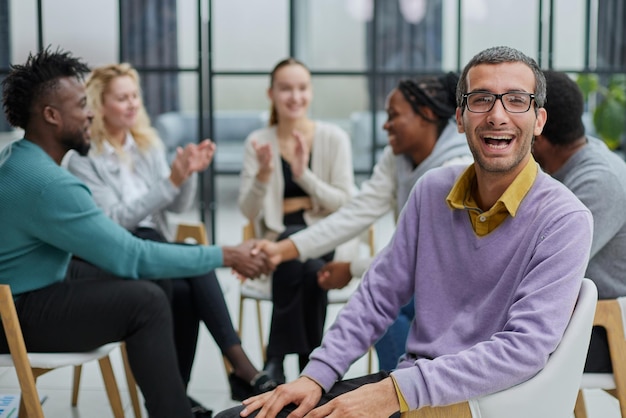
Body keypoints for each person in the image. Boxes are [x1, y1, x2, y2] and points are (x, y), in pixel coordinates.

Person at [216, 45, 594, 418]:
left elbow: (523, 349)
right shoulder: (432, 190)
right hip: (408, 388)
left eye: (516, 100)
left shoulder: (565, 219)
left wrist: (393, 391)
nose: (497, 115)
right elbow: (377, 295)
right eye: (481, 100)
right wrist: (316, 376)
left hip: (482, 404)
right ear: (460, 118)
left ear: (539, 120)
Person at [0, 48, 273, 418]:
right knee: (145, 300)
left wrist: (183, 177)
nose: (90, 113)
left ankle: (174, 398)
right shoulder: (50, 184)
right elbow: (131, 255)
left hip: (35, 285)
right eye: (82, 105)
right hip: (14, 313)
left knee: (157, 281)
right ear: (51, 115)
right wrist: (227, 254)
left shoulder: (21, 159)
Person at [256, 71, 472, 372]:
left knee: (385, 302)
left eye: (393, 116)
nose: (385, 125)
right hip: (420, 279)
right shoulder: (396, 157)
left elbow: (424, 257)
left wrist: (353, 268)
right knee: (381, 302)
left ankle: (396, 390)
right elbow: (356, 212)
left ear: (426, 114)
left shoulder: (458, 167)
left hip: (457, 287)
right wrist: (285, 249)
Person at [238, 57, 355, 383]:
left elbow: (347, 203)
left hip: (327, 236)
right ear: (271, 93)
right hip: (276, 241)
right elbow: (248, 211)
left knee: (301, 249)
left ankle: (274, 359)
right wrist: (262, 176)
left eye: (301, 88)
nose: (295, 97)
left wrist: (305, 178)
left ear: (311, 92)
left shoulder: (334, 138)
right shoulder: (258, 142)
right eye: (286, 89)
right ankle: (310, 362)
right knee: (308, 266)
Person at [532, 69, 626, 374]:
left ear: (540, 133)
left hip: (604, 332)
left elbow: (545, 269)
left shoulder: (598, 181)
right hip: (567, 320)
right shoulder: (565, 169)